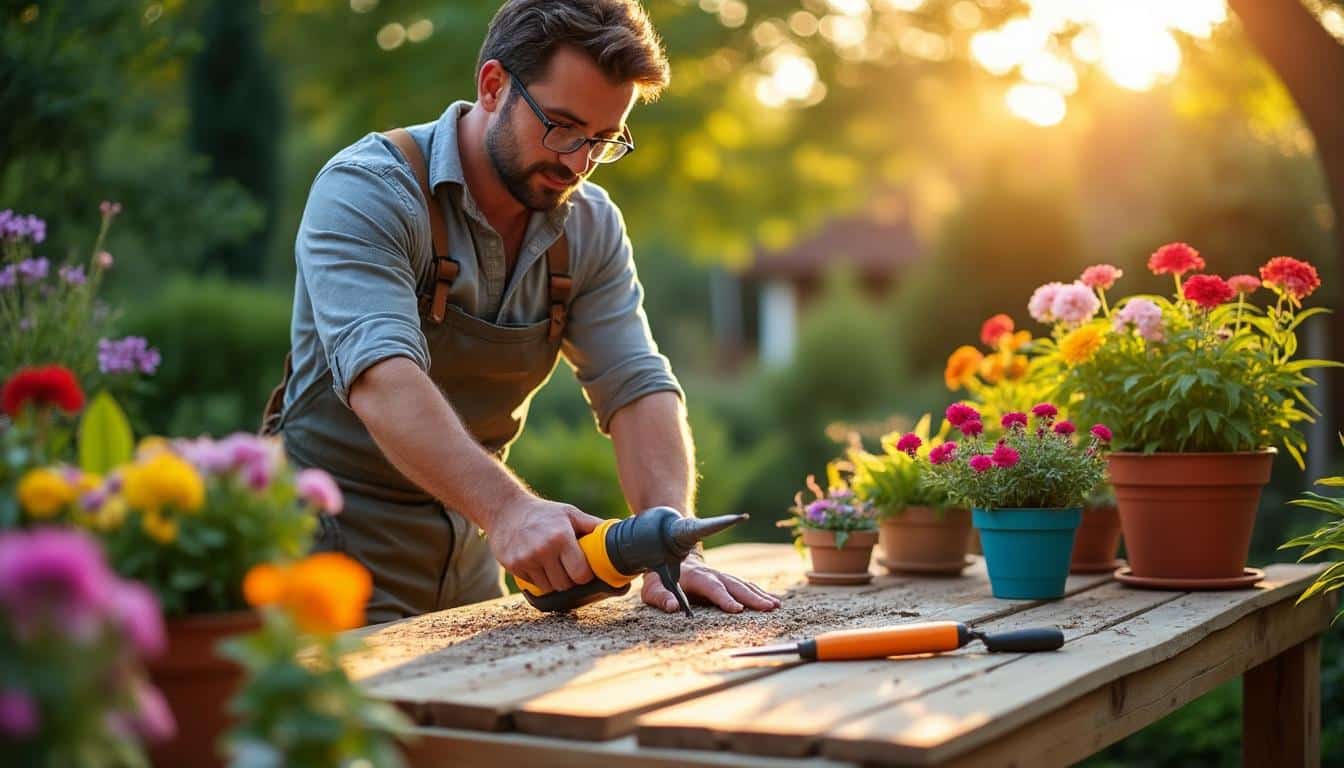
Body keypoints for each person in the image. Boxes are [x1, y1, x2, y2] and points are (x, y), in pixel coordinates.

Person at [264, 0, 781, 623]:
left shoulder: (590, 225)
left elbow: (636, 384)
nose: (577, 162)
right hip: (324, 559)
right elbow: (382, 377)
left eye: (602, 139)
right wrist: (510, 511)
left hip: (469, 553)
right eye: (561, 126)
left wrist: (669, 543)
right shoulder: (367, 191)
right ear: (492, 85)